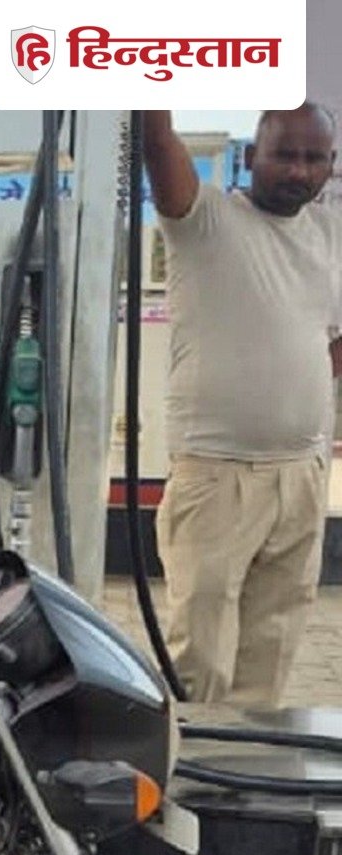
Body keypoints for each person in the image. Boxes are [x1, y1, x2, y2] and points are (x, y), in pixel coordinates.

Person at [142, 104, 342, 707]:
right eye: (285, 155)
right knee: (200, 657)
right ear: (251, 157)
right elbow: (159, 143)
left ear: (331, 166)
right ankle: (193, 760)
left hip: (302, 474)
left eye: (314, 159)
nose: (299, 171)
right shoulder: (206, 219)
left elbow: (328, 338)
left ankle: (247, 764)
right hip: (217, 475)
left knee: (271, 652)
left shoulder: (327, 233)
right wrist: (146, 75)